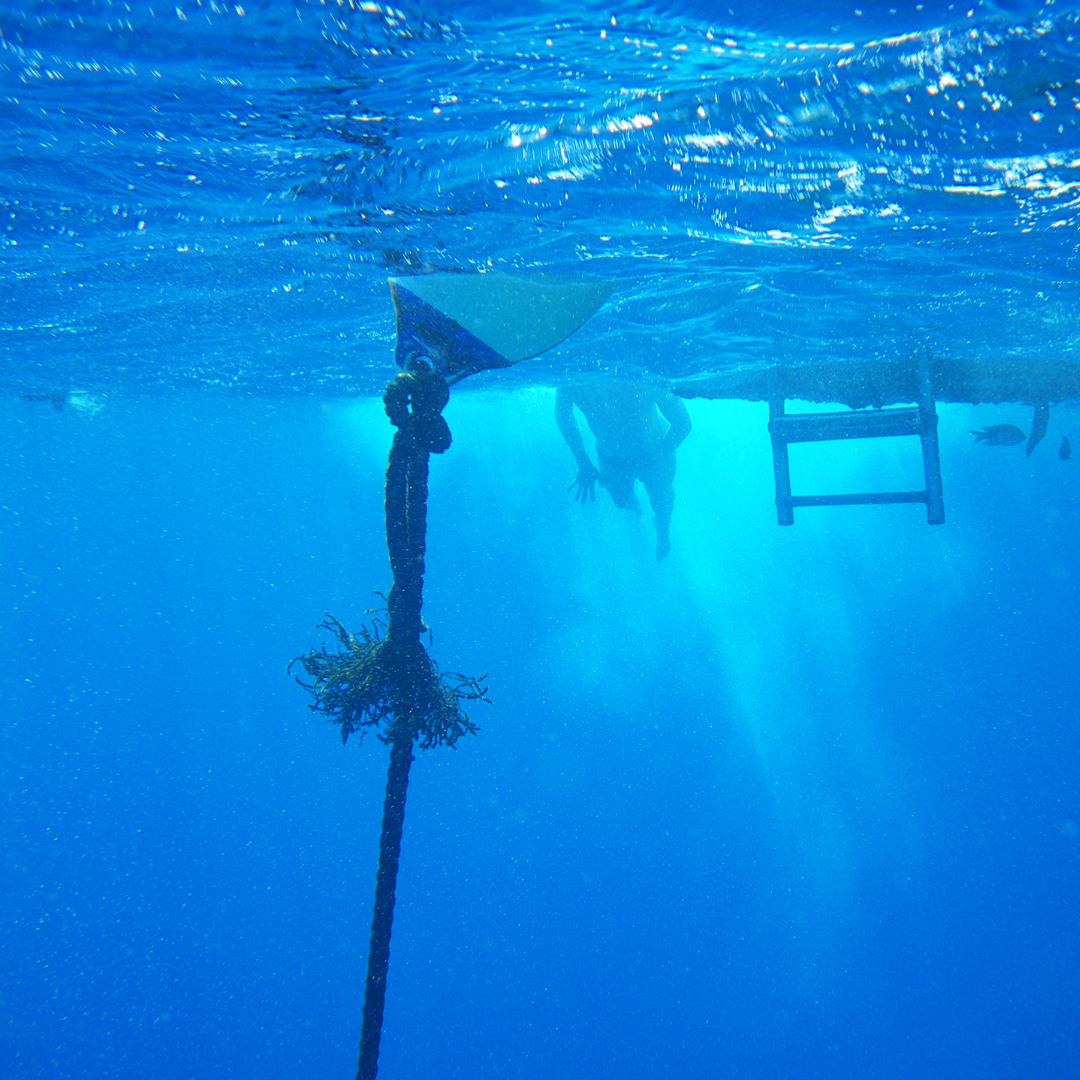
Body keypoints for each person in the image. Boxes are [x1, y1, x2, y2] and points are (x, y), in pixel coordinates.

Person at [555, 382, 692, 561]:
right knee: (621, 501)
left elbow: (683, 423)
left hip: (655, 449)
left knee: (661, 495)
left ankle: (663, 528)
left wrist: (656, 457)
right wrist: (583, 462)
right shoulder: (571, 381)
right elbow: (562, 414)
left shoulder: (641, 377)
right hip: (612, 458)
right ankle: (636, 506)